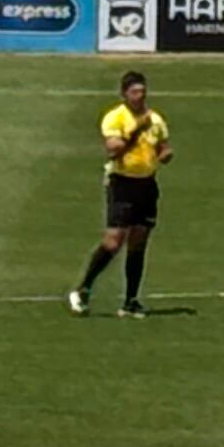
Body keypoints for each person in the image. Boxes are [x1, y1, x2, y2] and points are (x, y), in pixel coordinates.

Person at [71, 70, 169, 315]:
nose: (140, 96)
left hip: (147, 184)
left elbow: (163, 145)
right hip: (122, 183)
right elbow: (114, 150)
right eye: (135, 92)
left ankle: (131, 300)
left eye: (143, 91)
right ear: (124, 94)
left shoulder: (155, 119)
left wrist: (165, 154)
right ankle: (83, 288)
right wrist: (137, 130)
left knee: (139, 242)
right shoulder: (115, 118)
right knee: (114, 240)